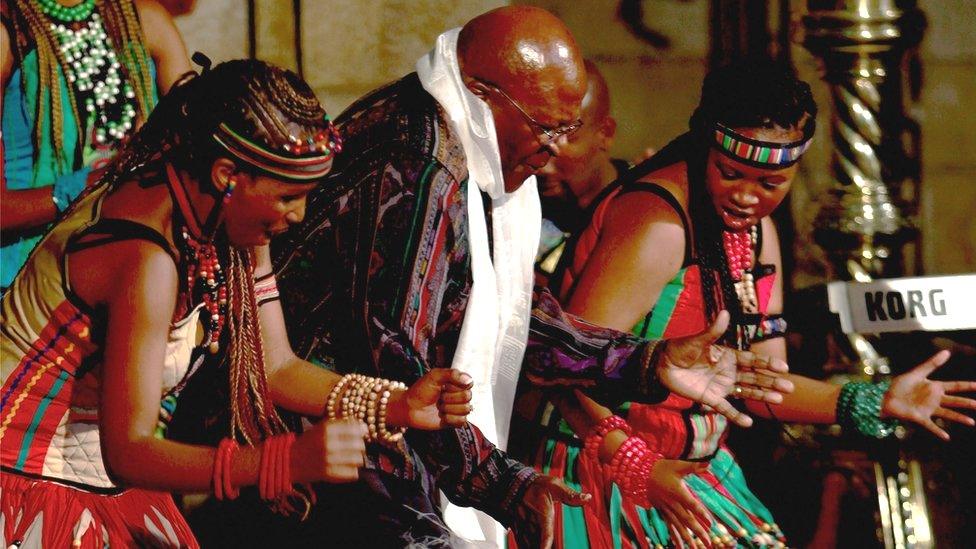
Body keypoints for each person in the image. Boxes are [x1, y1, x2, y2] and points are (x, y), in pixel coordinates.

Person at [270, 7, 794, 548]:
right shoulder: (420, 170)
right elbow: (401, 379)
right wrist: (504, 486)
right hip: (314, 459)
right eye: (545, 128)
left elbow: (511, 317)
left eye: (567, 130)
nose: (551, 152)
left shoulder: (474, 145)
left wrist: (646, 361)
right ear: (481, 93)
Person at [0, 58, 473, 548]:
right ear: (228, 173)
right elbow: (128, 450)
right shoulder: (146, 259)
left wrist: (394, 404)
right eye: (289, 196)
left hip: (98, 489)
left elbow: (276, 367)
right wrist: (283, 462)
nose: (298, 215)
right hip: (26, 493)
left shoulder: (223, 223)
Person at [518, 61, 976, 548]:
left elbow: (761, 385)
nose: (746, 197)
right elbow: (561, 366)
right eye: (730, 173)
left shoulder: (756, 234)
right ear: (704, 148)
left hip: (690, 474)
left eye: (770, 184)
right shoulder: (660, 227)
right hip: (596, 471)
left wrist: (874, 400)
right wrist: (637, 464)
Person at [1, 0, 191, 290]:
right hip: (26, 283)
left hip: (129, 267)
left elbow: (197, 146)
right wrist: (92, 183)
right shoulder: (9, 29)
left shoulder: (145, 20)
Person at [535, 59, 628, 276]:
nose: (542, 166)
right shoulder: (516, 206)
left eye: (565, 137)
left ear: (605, 133)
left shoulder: (639, 207)